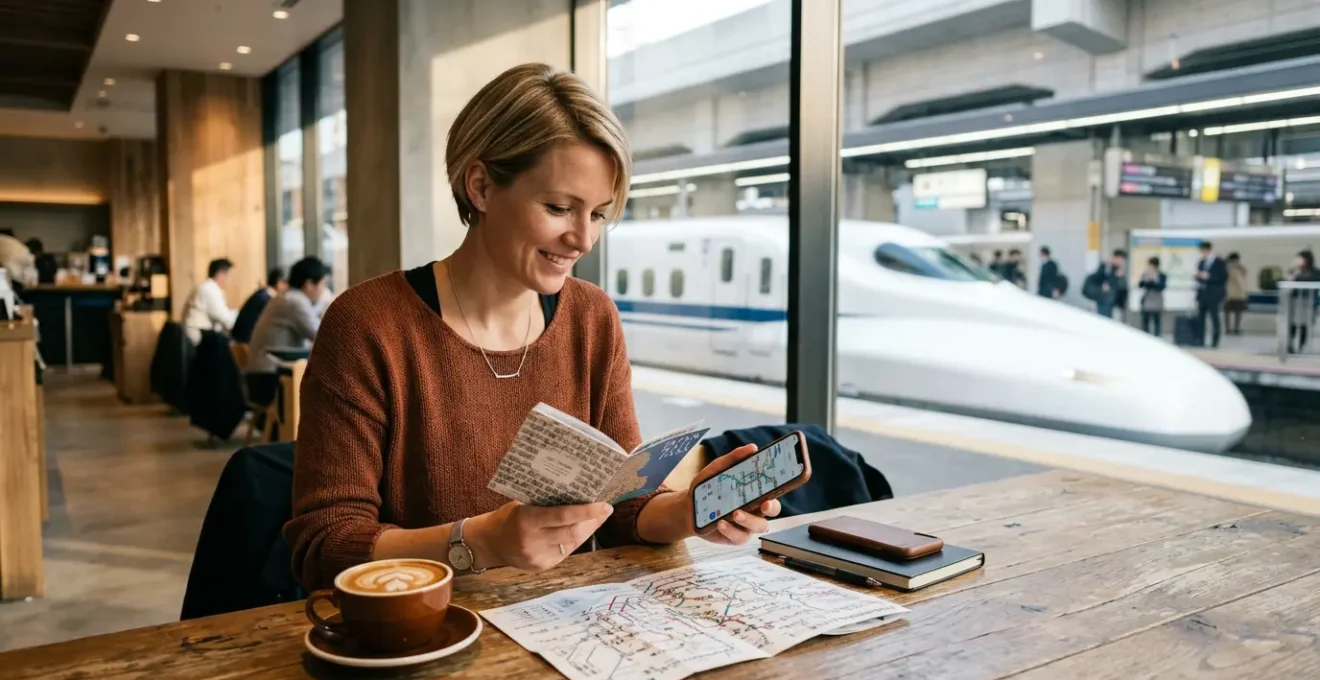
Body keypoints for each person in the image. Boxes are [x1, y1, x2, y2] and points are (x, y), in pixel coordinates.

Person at [282, 63, 780, 592]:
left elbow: (624, 509)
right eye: (559, 208)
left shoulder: (592, 317)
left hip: (568, 628)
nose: (583, 240)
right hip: (428, 632)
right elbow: (326, 546)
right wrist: (481, 541)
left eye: (599, 215)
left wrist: (690, 510)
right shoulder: (368, 325)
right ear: (480, 186)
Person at [245, 258, 329, 406]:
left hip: (262, 375)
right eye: (323, 284)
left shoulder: (287, 297)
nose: (324, 290)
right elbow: (324, 336)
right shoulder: (295, 302)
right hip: (270, 380)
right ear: (309, 284)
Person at [232, 267, 287, 343]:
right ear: (279, 283)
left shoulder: (261, 294)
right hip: (249, 345)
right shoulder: (266, 300)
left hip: (241, 343)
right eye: (287, 285)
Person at [1195, 241, 1228, 349]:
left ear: (1207, 250)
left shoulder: (1219, 262)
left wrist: (1209, 277)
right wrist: (1199, 276)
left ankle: (1215, 340)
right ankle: (1200, 339)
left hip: (1214, 294)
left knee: (1214, 317)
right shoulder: (1201, 262)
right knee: (1201, 317)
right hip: (1203, 293)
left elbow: (1223, 277)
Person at [1287, 250, 1319, 354]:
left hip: (1308, 302)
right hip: (1295, 301)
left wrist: (1298, 278)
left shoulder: (1316, 272)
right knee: (1293, 323)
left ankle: (1302, 345)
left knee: (1305, 324)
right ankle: (1290, 344)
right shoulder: (1294, 271)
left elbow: (1315, 281)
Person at [1085, 249, 1127, 319]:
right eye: (1120, 259)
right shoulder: (1106, 267)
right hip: (1104, 299)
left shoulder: (1117, 270)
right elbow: (1100, 279)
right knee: (1104, 319)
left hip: (1113, 300)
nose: (1121, 262)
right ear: (1115, 257)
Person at [1138, 256, 1167, 337]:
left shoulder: (1162, 275)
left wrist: (1154, 280)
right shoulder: (1145, 274)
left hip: (1157, 300)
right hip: (1147, 300)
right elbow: (1140, 285)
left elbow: (1161, 287)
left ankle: (1157, 337)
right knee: (1145, 321)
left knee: (1157, 320)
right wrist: (1146, 280)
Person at [1224, 253, 1248, 336]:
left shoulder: (1225, 268)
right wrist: (1245, 293)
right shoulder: (1235, 269)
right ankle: (1236, 329)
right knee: (1238, 313)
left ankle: (1227, 329)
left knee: (1227, 313)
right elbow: (1240, 281)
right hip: (1238, 294)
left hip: (1227, 294)